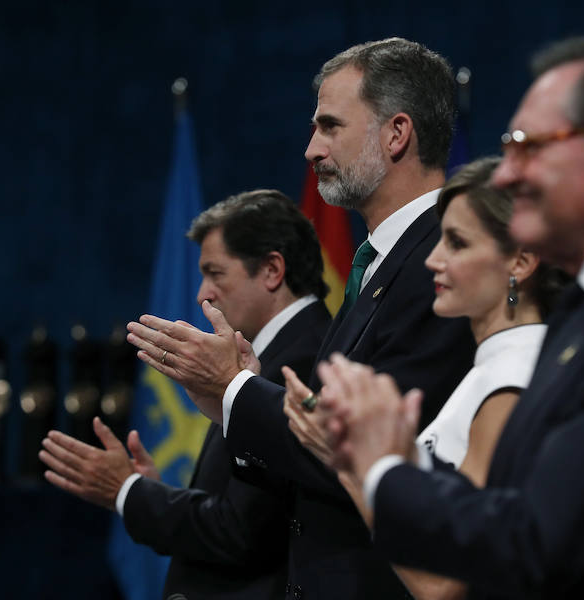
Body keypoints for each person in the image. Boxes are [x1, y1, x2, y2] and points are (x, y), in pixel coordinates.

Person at [315, 35, 584, 598]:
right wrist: (395, 448)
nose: (507, 175)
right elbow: (516, 499)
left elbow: (541, 542)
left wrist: (386, 470)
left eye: (530, 146)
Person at [127, 38, 476, 598]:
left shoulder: (438, 263)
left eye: (330, 126)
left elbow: (369, 454)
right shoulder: (382, 264)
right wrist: (235, 399)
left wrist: (238, 390)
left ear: (396, 134)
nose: (312, 150)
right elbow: (316, 456)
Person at [283, 157, 567, 599]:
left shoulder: (508, 382)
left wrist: (363, 466)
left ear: (521, 260)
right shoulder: (501, 369)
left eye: (456, 243)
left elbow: (444, 582)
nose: (433, 259)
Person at [39, 189, 332, 599]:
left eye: (216, 273)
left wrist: (129, 492)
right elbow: (244, 508)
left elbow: (240, 535)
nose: (201, 294)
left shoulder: (302, 361)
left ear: (271, 270)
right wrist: (154, 492)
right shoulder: (273, 351)